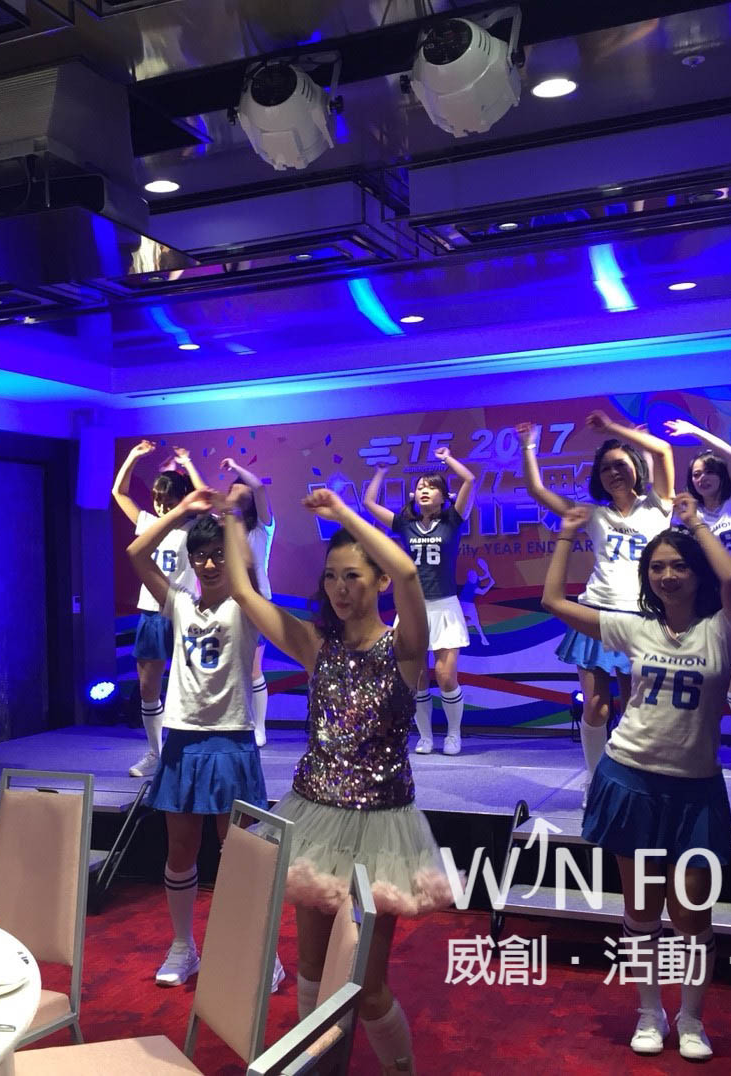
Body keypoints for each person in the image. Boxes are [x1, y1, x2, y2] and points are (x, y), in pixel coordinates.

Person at [223, 484, 452, 1076]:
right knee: (310, 968)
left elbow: (409, 570)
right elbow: (244, 592)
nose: (340, 588)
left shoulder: (404, 647)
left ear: (378, 581)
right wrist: (229, 517)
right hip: (314, 816)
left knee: (367, 985)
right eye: (330, 577)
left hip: (381, 829)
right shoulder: (316, 646)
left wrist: (344, 513)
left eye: (352, 576)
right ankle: (317, 1067)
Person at [541, 494, 731, 1061]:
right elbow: (552, 601)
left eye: (678, 565)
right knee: (641, 913)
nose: (667, 576)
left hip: (696, 789)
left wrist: (694, 523)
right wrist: (566, 534)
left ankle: (692, 1019)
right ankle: (649, 1012)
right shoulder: (635, 628)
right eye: (656, 567)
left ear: (696, 572)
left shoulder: (725, 629)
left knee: (693, 917)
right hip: (631, 778)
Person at [128, 488, 276, 989]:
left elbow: (249, 567)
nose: (209, 564)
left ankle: (262, 951)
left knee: (243, 857)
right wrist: (181, 511)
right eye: (201, 556)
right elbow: (136, 553)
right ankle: (182, 946)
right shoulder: (179, 603)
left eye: (218, 555)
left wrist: (231, 515)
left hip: (232, 743)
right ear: (190, 561)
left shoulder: (246, 607)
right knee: (180, 851)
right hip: (183, 743)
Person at [520, 413, 676, 799]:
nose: (613, 473)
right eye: (605, 468)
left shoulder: (659, 505)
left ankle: (636, 779)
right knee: (595, 707)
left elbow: (663, 450)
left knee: (637, 711)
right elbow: (537, 490)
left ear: (636, 467)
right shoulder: (594, 514)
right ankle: (594, 779)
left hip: (642, 619)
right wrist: (527, 446)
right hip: (595, 613)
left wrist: (611, 430)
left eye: (620, 465)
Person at [664, 417, 731, 770]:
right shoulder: (685, 513)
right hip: (697, 602)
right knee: (698, 674)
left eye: (708, 471)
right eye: (696, 474)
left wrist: (694, 431)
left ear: (721, 475)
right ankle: (702, 744)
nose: (702, 477)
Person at [363, 446, 476, 755]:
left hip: (445, 605)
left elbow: (469, 480)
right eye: (420, 487)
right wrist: (381, 472)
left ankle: (453, 734)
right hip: (412, 608)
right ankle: (425, 736)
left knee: (445, 676)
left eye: (432, 487)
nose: (424, 491)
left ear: (444, 496)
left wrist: (447, 458)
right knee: (418, 677)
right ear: (413, 495)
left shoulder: (453, 519)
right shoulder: (405, 523)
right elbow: (369, 504)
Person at [111, 440, 198, 779]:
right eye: (158, 500)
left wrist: (187, 465)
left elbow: (205, 499)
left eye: (169, 501)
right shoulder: (147, 522)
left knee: (192, 683)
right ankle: (155, 752)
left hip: (185, 613)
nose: (162, 507)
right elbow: (119, 493)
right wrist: (133, 456)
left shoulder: (194, 528)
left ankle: (189, 750)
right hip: (151, 613)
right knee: (148, 685)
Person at [180, 451, 278, 747]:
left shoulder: (262, 527)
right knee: (225, 666)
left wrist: (235, 466)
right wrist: (187, 463)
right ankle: (225, 722)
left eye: (239, 488)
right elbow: (204, 495)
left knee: (253, 668)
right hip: (224, 604)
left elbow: (258, 487)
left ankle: (259, 728)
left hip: (256, 604)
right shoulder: (222, 525)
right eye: (232, 487)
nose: (234, 490)